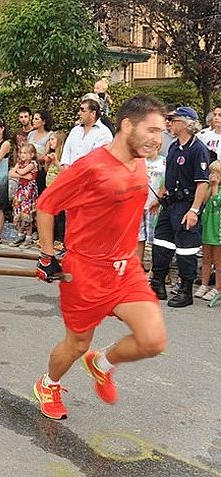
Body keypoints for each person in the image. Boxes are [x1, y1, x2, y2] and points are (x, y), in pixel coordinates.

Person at [33, 94, 169, 420]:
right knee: (76, 344)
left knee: (153, 340)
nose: (158, 139)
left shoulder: (138, 162)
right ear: (126, 125)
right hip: (87, 271)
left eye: (161, 131)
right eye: (151, 130)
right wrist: (47, 255)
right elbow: (47, 205)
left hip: (126, 268)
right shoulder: (90, 166)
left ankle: (101, 363)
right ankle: (48, 384)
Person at [149, 106, 210, 307]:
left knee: (186, 249)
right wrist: (159, 198)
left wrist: (194, 210)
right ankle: (157, 283)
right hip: (171, 204)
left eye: (172, 120)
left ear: (185, 123)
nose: (169, 123)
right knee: (161, 242)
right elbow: (169, 176)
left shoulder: (198, 149)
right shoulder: (175, 147)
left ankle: (185, 289)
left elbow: (203, 183)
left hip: (187, 204)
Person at [60, 99, 113, 169]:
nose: (79, 113)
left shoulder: (104, 133)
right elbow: (66, 152)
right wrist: (67, 170)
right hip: (70, 174)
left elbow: (97, 160)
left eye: (83, 110)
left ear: (93, 113)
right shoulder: (75, 130)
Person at [195, 160, 221, 301]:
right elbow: (204, 202)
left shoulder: (217, 190)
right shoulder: (209, 189)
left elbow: (217, 203)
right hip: (208, 228)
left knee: (218, 260)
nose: (213, 176)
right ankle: (204, 284)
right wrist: (210, 187)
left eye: (216, 173)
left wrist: (215, 186)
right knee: (206, 259)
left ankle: (217, 287)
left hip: (218, 230)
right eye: (211, 173)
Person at [136, 143, 165, 264]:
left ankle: (156, 268)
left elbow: (166, 182)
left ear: (157, 147)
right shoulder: (139, 161)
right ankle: (138, 265)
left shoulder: (164, 162)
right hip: (139, 203)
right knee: (139, 237)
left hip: (154, 204)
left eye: (149, 146)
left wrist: (159, 199)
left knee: (155, 238)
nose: (146, 149)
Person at [9, 143, 39, 248]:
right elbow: (12, 174)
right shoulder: (19, 163)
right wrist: (24, 175)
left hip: (28, 192)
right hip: (21, 190)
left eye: (25, 153)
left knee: (27, 214)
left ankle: (29, 237)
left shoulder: (33, 164)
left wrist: (20, 172)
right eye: (21, 152)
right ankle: (20, 235)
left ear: (32, 154)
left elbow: (21, 171)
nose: (22, 155)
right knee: (19, 212)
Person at [27, 110, 53, 195]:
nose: (33, 121)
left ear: (44, 121)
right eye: (33, 119)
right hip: (28, 170)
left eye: (36, 119)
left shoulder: (49, 135)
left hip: (41, 170)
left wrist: (32, 158)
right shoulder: (30, 134)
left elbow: (46, 155)